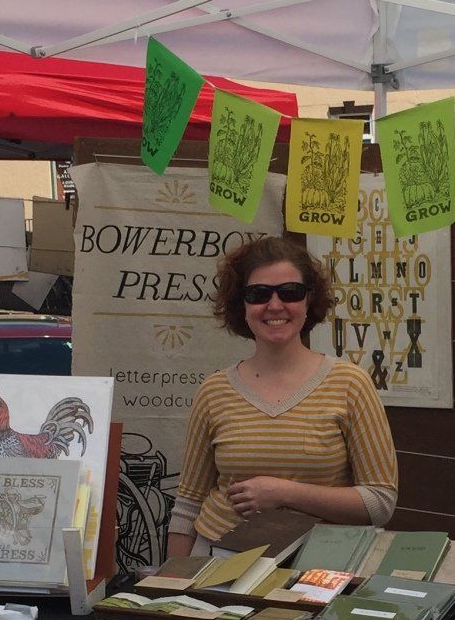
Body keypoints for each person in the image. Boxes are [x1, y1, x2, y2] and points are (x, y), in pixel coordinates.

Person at [168, 236, 397, 559]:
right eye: (258, 294)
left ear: (309, 301)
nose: (275, 305)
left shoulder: (351, 385)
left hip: (319, 567)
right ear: (241, 305)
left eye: (290, 292)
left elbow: (380, 501)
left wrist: (285, 492)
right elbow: (188, 505)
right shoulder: (214, 391)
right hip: (219, 564)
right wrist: (170, 587)